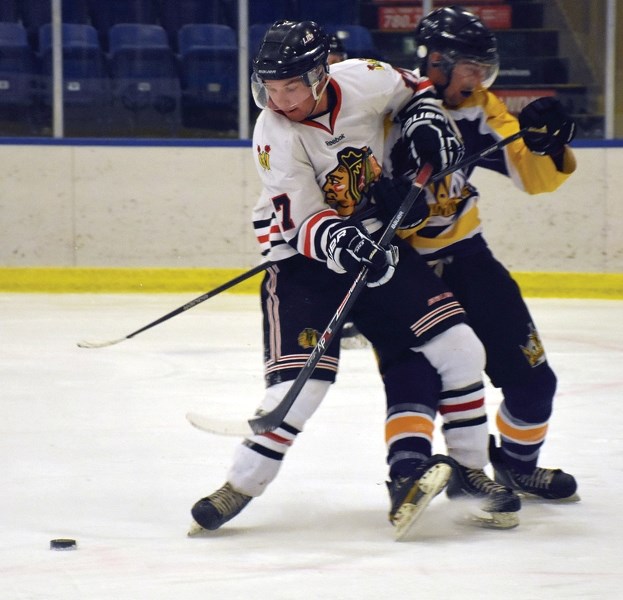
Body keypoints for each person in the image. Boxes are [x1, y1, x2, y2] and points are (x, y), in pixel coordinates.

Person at [189, 19, 520, 537]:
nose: (280, 100)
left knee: (462, 350)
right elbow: (301, 219)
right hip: (302, 261)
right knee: (301, 390)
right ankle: (240, 485)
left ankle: (472, 471)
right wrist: (343, 242)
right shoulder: (274, 132)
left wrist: (426, 120)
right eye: (270, 89)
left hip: (376, 241)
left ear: (322, 75)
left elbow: (414, 93)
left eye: (292, 87)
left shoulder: (364, 76)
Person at [380, 5, 579, 502]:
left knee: (535, 381)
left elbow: (533, 177)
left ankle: (516, 467)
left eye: (481, 67)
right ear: (435, 62)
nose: (477, 78)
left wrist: (546, 145)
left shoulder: (479, 108)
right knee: (423, 381)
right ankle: (419, 471)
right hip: (409, 270)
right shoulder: (385, 107)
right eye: (468, 66)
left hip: (471, 258)